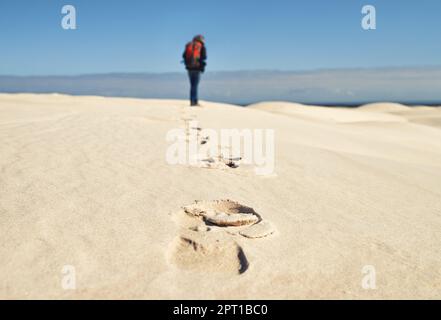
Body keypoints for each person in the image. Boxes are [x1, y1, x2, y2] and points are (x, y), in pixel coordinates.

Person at [182, 35, 207, 106]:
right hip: (197, 68)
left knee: (192, 85)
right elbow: (204, 57)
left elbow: (183, 56)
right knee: (195, 85)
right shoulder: (201, 46)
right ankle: (194, 101)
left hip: (189, 68)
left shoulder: (189, 45)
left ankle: (193, 100)